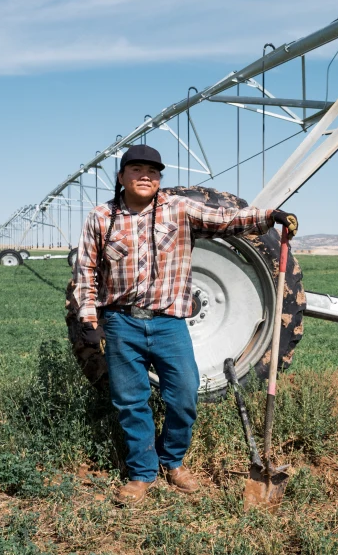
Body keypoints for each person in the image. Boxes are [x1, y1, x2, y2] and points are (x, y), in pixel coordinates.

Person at [72, 144, 297, 504]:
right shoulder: (102, 217)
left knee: (184, 394)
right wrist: (88, 318)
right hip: (121, 323)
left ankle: (172, 461)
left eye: (153, 171)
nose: (145, 176)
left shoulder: (179, 209)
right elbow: (84, 270)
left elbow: (226, 220)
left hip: (169, 323)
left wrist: (269, 217)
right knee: (131, 402)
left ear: (160, 178)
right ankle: (142, 473)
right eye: (136, 170)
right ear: (121, 177)